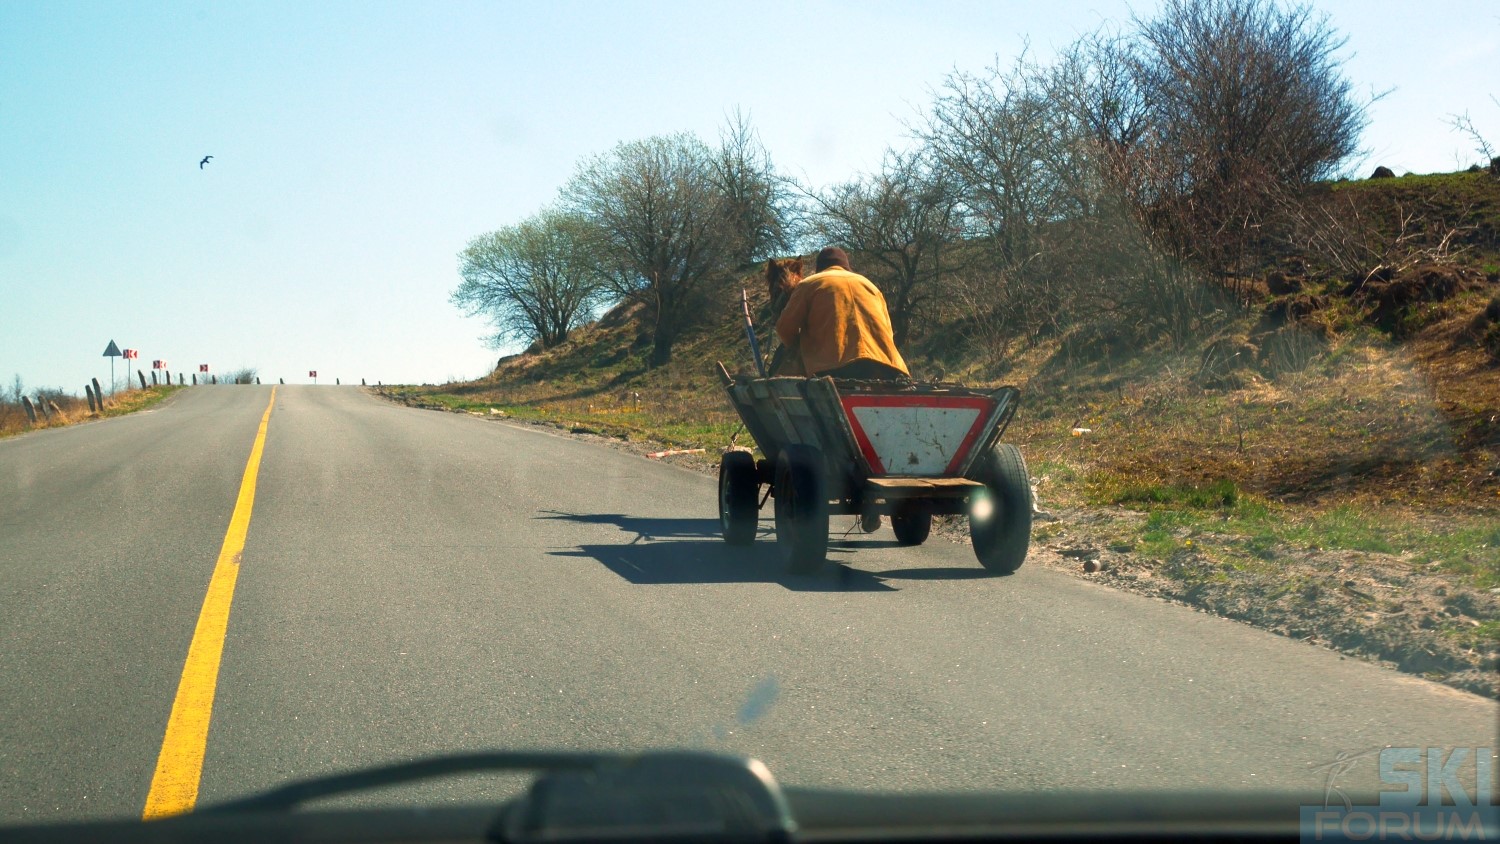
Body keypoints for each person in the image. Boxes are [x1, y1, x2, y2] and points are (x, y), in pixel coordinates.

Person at [774, 246, 909, 381]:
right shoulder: (871, 287)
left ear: (820, 268)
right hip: (886, 368)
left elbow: (784, 329)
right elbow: (889, 333)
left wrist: (804, 348)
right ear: (846, 266)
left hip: (834, 369)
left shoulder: (809, 284)